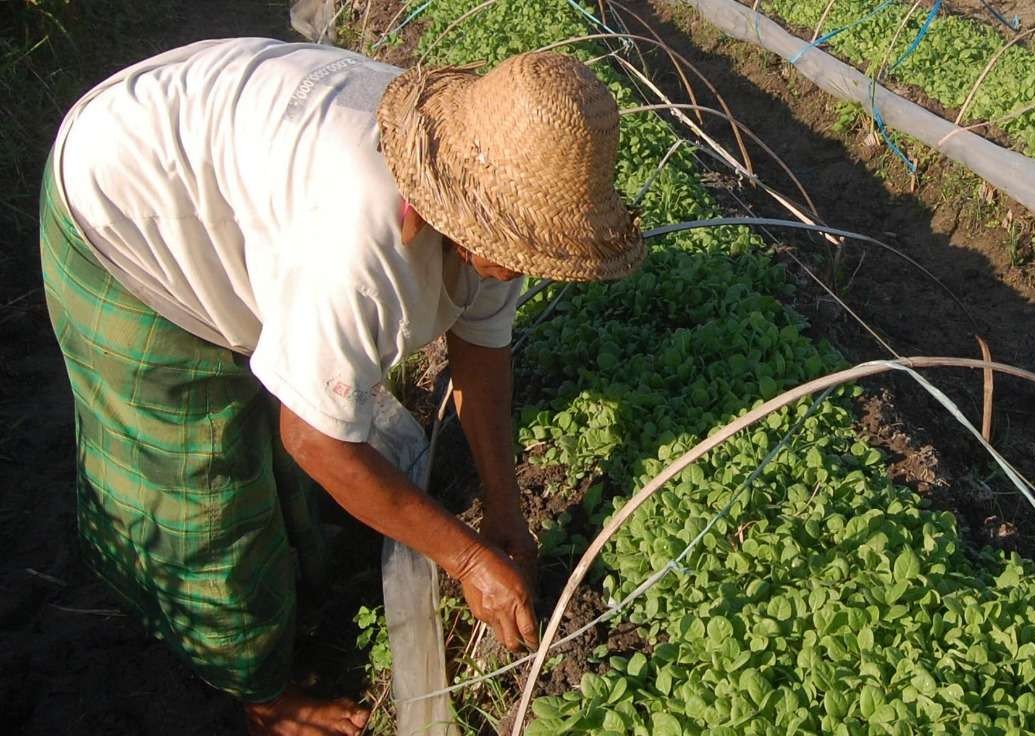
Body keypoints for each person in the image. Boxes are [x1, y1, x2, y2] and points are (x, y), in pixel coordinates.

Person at [39, 38, 644, 736]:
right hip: (126, 202)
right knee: (202, 481)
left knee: (290, 410)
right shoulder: (363, 238)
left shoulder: (491, 182)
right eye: (506, 246)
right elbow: (316, 441)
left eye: (533, 247)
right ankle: (263, 692)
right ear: (438, 210)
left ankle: (300, 569)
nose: (515, 268)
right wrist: (467, 559)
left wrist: (505, 511)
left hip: (220, 153)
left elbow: (481, 358)